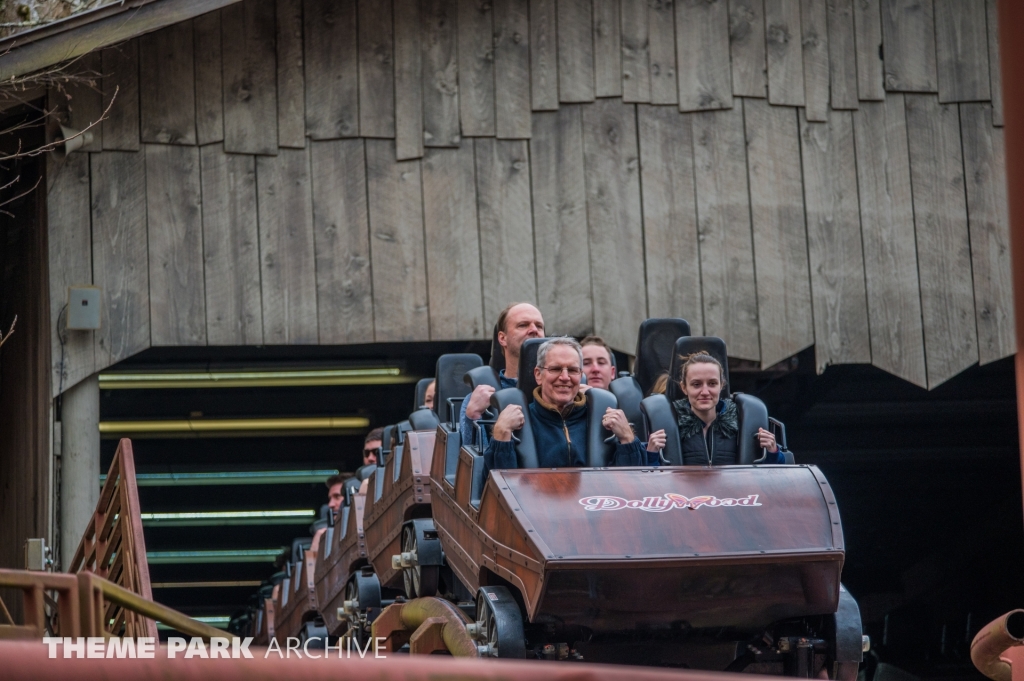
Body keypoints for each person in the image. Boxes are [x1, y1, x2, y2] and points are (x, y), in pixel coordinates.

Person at [484, 337, 646, 472]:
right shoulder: (517, 424)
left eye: (573, 370)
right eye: (555, 369)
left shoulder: (604, 421)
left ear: (581, 375)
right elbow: (498, 492)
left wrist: (627, 439)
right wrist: (501, 437)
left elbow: (632, 486)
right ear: (538, 375)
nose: (565, 377)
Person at [667, 352, 786, 465]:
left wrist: (772, 451)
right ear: (684, 387)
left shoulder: (742, 423)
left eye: (712, 383)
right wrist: (651, 453)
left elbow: (773, 476)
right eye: (696, 384)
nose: (705, 392)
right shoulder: (669, 425)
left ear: (721, 385)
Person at [459, 302, 545, 445]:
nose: (534, 330)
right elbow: (478, 463)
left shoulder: (563, 388)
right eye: (523, 325)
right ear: (502, 338)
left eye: (539, 326)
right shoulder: (481, 398)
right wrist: (472, 416)